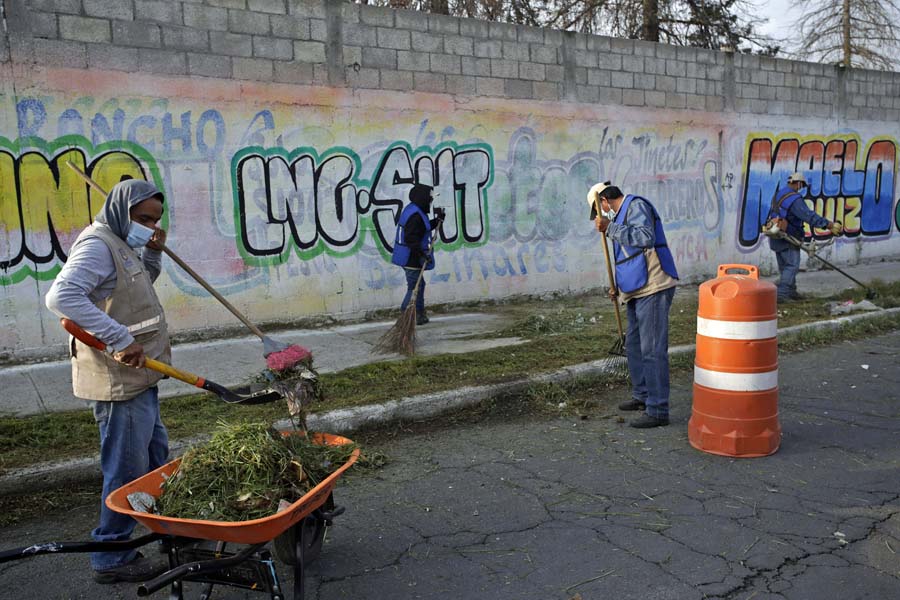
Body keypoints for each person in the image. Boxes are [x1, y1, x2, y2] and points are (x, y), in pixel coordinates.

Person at [45, 179, 170, 584]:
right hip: (118, 377)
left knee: (154, 460)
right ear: (121, 211)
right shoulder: (98, 244)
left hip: (140, 373)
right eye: (144, 219)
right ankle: (111, 555)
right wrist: (118, 337)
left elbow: (137, 288)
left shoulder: (123, 242)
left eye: (156, 220)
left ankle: (169, 532)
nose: (151, 226)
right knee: (127, 469)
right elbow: (62, 297)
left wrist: (152, 254)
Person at [588, 181, 679, 429]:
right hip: (636, 288)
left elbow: (645, 238)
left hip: (654, 285)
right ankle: (643, 396)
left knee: (652, 349)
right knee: (635, 346)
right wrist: (618, 287)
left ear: (604, 202)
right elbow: (629, 257)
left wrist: (610, 228)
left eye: (599, 211)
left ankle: (658, 409)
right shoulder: (618, 217)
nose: (600, 217)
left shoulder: (636, 205)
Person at [764, 172, 842, 302]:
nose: (801, 188)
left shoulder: (779, 194)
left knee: (785, 267)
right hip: (788, 236)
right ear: (798, 183)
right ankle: (782, 295)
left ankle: (791, 292)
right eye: (801, 185)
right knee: (791, 266)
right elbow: (808, 216)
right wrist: (828, 225)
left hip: (775, 234)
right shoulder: (794, 199)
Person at [390, 183, 445, 325]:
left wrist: (437, 221)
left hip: (411, 257)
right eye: (429, 198)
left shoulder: (416, 210)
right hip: (411, 258)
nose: (431, 201)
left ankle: (419, 314)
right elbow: (411, 239)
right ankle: (404, 317)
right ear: (423, 198)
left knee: (419, 285)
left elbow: (422, 228)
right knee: (414, 287)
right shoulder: (415, 215)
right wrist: (421, 254)